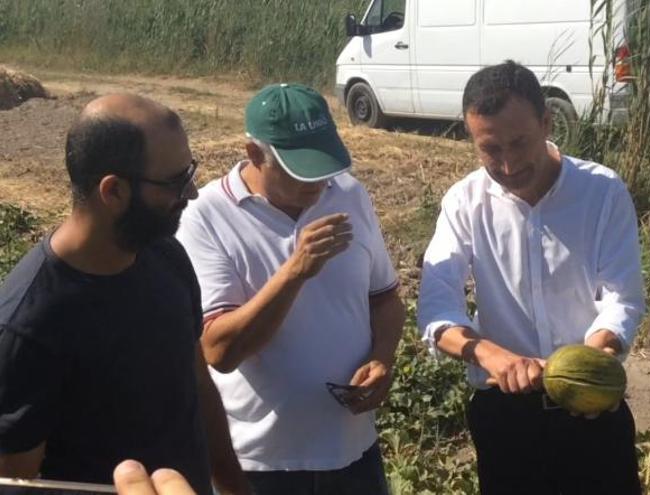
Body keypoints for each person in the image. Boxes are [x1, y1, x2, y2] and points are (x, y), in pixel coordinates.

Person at [0, 94, 248, 494]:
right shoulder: (29, 325)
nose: (193, 193)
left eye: (190, 173)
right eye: (175, 181)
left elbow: (196, 383)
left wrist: (234, 485)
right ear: (113, 191)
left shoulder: (166, 256)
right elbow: (19, 483)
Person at [417, 60, 646, 495]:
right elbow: (436, 305)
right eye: (490, 149)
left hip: (593, 410)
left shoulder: (602, 192)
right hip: (505, 415)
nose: (507, 164)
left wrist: (582, 367)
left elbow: (623, 298)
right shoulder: (465, 202)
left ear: (546, 122)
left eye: (519, 142)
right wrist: (491, 356)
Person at [175, 83, 405, 495]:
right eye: (300, 169)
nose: (317, 182)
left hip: (354, 453)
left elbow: (384, 298)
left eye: (324, 164)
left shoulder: (349, 193)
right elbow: (219, 351)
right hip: (262, 465)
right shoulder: (206, 217)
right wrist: (294, 271)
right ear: (254, 155)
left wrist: (382, 358)